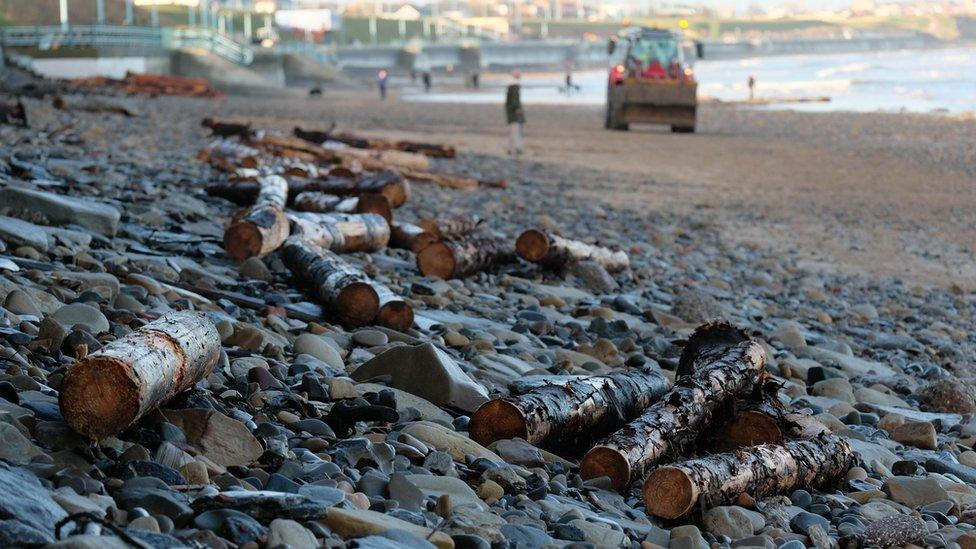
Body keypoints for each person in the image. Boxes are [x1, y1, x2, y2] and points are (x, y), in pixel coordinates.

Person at [505, 70, 525, 157]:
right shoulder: (514, 87)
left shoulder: (511, 86)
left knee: (513, 132)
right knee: (515, 132)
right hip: (514, 114)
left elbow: (510, 102)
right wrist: (518, 110)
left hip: (511, 113)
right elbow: (514, 102)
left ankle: (511, 148)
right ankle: (516, 148)